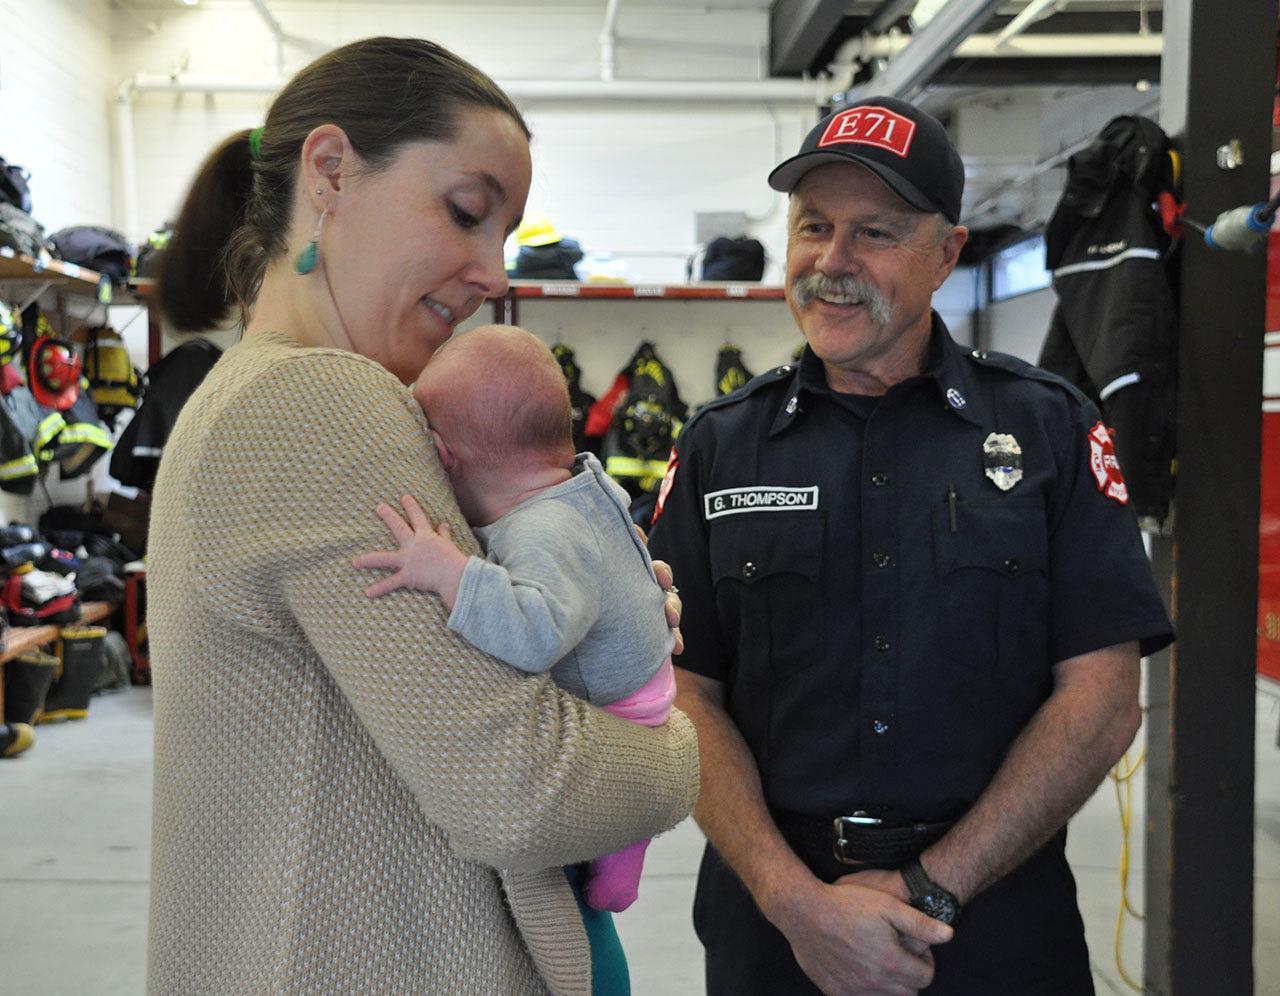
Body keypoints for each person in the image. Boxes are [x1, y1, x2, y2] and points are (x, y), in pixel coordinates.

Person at [146, 37, 699, 996]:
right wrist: (667, 738)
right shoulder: (319, 403)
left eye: (505, 234)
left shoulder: (261, 391)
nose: (493, 272)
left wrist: (589, 622)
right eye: (467, 213)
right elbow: (527, 792)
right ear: (330, 172)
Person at [647, 95, 1174, 996]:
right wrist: (796, 903)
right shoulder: (715, 449)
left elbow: (1102, 696)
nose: (832, 263)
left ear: (947, 255)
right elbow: (684, 694)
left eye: (875, 233)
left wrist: (934, 887)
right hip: (775, 928)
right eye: (813, 227)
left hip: (997, 920)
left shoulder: (1050, 431)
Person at [352, 322, 677, 914]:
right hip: (645, 677)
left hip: (624, 706)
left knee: (601, 871)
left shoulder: (542, 530)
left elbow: (535, 634)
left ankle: (618, 865)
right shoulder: (576, 485)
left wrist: (448, 572)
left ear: (444, 459)